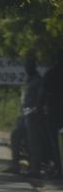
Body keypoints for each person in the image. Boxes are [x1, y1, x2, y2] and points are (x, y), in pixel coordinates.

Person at [20, 57, 45, 177]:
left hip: (33, 114)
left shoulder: (38, 80)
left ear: (34, 67)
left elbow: (40, 97)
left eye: (29, 66)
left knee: (34, 142)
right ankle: (19, 165)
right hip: (25, 114)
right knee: (22, 139)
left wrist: (36, 110)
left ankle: (36, 168)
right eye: (26, 66)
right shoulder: (28, 80)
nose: (27, 68)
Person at [41, 50, 63, 178]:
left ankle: (58, 167)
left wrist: (39, 108)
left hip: (53, 111)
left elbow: (43, 93)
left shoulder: (51, 73)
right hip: (55, 110)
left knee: (54, 141)